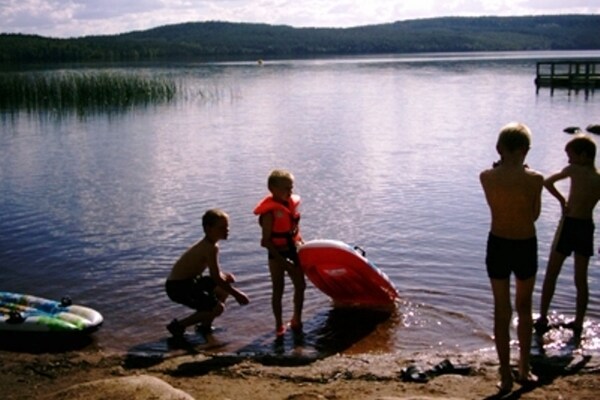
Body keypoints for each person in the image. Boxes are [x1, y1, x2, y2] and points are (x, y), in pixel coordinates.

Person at [480, 122, 544, 393]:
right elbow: (533, 215)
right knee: (524, 308)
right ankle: (524, 369)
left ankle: (505, 375)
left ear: (499, 149)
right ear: (526, 150)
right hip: (525, 244)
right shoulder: (536, 179)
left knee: (501, 309)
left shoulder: (486, 176)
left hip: (498, 245)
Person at [535, 135, 600, 338]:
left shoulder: (574, 170)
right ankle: (578, 323)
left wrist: (562, 201)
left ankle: (543, 317)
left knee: (552, 273)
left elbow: (547, 182)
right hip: (586, 227)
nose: (568, 160)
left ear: (583, 155)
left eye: (570, 155)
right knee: (580, 278)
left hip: (570, 225)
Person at [165, 209, 249, 337]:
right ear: (208, 229)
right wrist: (237, 294)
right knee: (218, 308)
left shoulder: (211, 245)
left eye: (227, 226)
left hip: (191, 281)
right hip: (178, 287)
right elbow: (215, 277)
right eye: (221, 227)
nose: (227, 230)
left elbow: (215, 274)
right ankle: (178, 326)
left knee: (223, 290)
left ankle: (205, 326)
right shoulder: (210, 248)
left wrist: (224, 276)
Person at [254, 169, 306, 337]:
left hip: (292, 250)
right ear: (272, 188)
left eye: (291, 188)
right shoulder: (269, 213)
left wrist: (301, 243)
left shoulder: (289, 205)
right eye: (286, 188)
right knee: (278, 288)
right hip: (276, 255)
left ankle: (296, 318)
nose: (290, 192)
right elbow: (266, 242)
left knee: (301, 285)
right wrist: (284, 263)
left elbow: (294, 228)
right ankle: (278, 324)